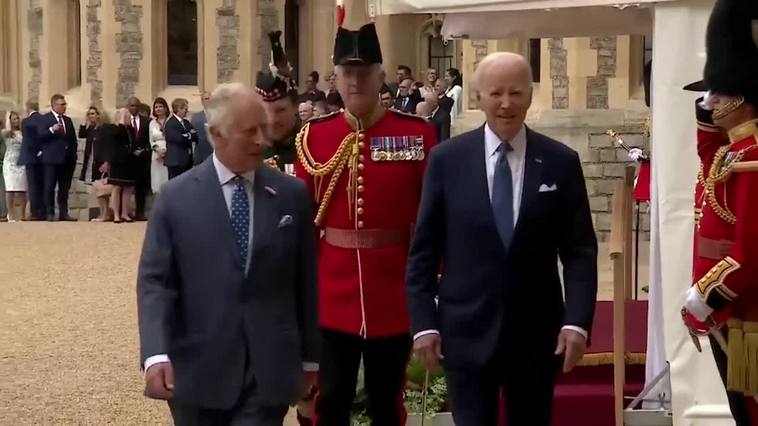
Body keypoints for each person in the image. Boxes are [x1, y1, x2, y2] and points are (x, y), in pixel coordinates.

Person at [406, 52, 598, 426]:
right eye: (496, 93)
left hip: (536, 337)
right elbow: (424, 251)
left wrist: (576, 322)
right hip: (465, 334)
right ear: (478, 97)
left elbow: (580, 252)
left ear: (530, 95)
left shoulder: (560, 161)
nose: (506, 104)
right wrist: (423, 325)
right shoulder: (447, 160)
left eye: (516, 93)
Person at [137, 82, 319, 426]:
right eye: (249, 131)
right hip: (196, 372)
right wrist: (155, 353)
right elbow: (155, 284)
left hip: (268, 371)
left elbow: (305, 281)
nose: (262, 141)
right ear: (215, 134)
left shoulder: (289, 194)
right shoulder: (175, 199)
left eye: (264, 128)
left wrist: (310, 359)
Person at [295, 22, 436, 426]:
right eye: (347, 73)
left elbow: (430, 217)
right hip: (332, 288)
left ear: (380, 76)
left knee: (387, 401)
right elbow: (306, 220)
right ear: (335, 79)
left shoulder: (418, 135)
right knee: (332, 397)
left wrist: (432, 278)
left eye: (364, 73)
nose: (355, 81)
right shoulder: (314, 137)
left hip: (393, 288)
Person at [682, 0, 758, 423]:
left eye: (719, 93)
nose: (709, 100)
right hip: (723, 313)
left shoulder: (752, 157)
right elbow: (705, 146)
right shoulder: (729, 152)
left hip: (743, 308)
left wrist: (705, 296)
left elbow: (751, 249)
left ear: (742, 97)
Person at [256, 31, 301, 173]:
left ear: (295, 107)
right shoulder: (249, 150)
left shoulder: (313, 147)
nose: (272, 119)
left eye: (280, 110)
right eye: (265, 111)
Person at [37, 94, 78, 221]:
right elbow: (39, 136)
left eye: (65, 104)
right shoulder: (45, 119)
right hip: (51, 159)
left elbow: (73, 139)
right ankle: (49, 212)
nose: (64, 107)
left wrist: (73, 154)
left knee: (64, 188)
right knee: (49, 187)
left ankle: (63, 212)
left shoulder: (68, 120)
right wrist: (51, 130)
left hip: (67, 159)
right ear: (54, 105)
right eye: (62, 104)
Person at [78, 106, 113, 222]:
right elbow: (81, 134)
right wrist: (84, 121)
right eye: (89, 114)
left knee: (102, 189)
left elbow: (109, 146)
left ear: (99, 115)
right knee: (98, 189)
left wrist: (107, 161)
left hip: (101, 162)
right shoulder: (91, 129)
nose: (90, 116)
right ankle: (102, 213)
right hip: (91, 162)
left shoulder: (104, 129)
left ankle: (105, 213)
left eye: (93, 114)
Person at [18, 101, 44, 221]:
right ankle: (43, 211)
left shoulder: (26, 122)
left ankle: (35, 212)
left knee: (33, 185)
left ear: (28, 108)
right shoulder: (44, 119)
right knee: (43, 185)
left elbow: (28, 140)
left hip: (30, 157)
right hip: (43, 157)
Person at [127, 97, 151, 221]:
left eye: (136, 106)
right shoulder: (125, 121)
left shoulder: (147, 121)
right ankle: (126, 212)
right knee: (127, 187)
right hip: (128, 159)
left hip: (142, 159)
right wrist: (130, 151)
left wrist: (144, 150)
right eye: (131, 106)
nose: (134, 108)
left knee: (141, 187)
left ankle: (140, 212)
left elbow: (149, 139)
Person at [164, 98, 197, 179]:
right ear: (178, 109)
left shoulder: (186, 123)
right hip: (175, 161)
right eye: (185, 109)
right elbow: (179, 139)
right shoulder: (171, 123)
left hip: (187, 161)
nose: (187, 111)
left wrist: (187, 135)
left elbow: (194, 135)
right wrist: (188, 135)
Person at [2, 111, 26, 222]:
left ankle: (22, 215)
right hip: (9, 163)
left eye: (18, 118)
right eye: (14, 119)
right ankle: (10, 214)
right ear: (10, 120)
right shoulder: (6, 133)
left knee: (22, 190)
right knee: (10, 189)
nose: (16, 121)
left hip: (21, 163)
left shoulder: (23, 133)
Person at [149, 97, 170, 194]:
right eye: (156, 107)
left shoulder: (170, 121)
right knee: (157, 179)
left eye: (160, 106)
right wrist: (158, 151)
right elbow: (151, 141)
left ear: (165, 108)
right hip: (156, 154)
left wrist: (166, 151)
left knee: (167, 177)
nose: (158, 109)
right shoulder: (152, 123)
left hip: (169, 152)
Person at [192, 91, 213, 166]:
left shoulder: (221, 116)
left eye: (211, 99)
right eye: (206, 99)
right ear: (202, 101)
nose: (209, 101)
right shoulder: (196, 117)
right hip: (201, 156)